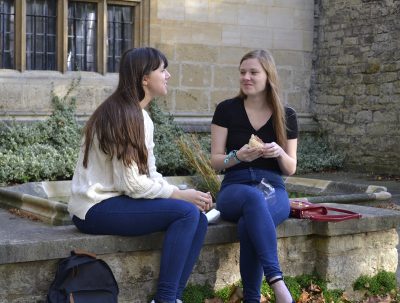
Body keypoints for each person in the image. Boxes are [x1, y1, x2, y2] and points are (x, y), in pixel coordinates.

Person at [68, 47, 212, 303]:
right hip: (93, 209)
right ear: (145, 78)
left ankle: (173, 297)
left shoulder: (138, 114)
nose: (168, 75)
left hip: (114, 202)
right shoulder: (124, 115)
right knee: (187, 212)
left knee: (197, 216)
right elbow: (132, 184)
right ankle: (165, 299)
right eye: (162, 70)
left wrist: (185, 196)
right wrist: (179, 195)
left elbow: (149, 171)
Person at [210, 49, 298, 303]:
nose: (246, 77)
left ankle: (251, 298)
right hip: (235, 188)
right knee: (251, 198)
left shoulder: (287, 114)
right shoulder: (226, 109)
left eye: (253, 72)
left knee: (250, 223)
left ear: (268, 76)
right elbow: (216, 161)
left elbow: (290, 168)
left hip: (273, 188)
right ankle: (276, 281)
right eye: (242, 72)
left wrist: (280, 152)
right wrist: (237, 157)